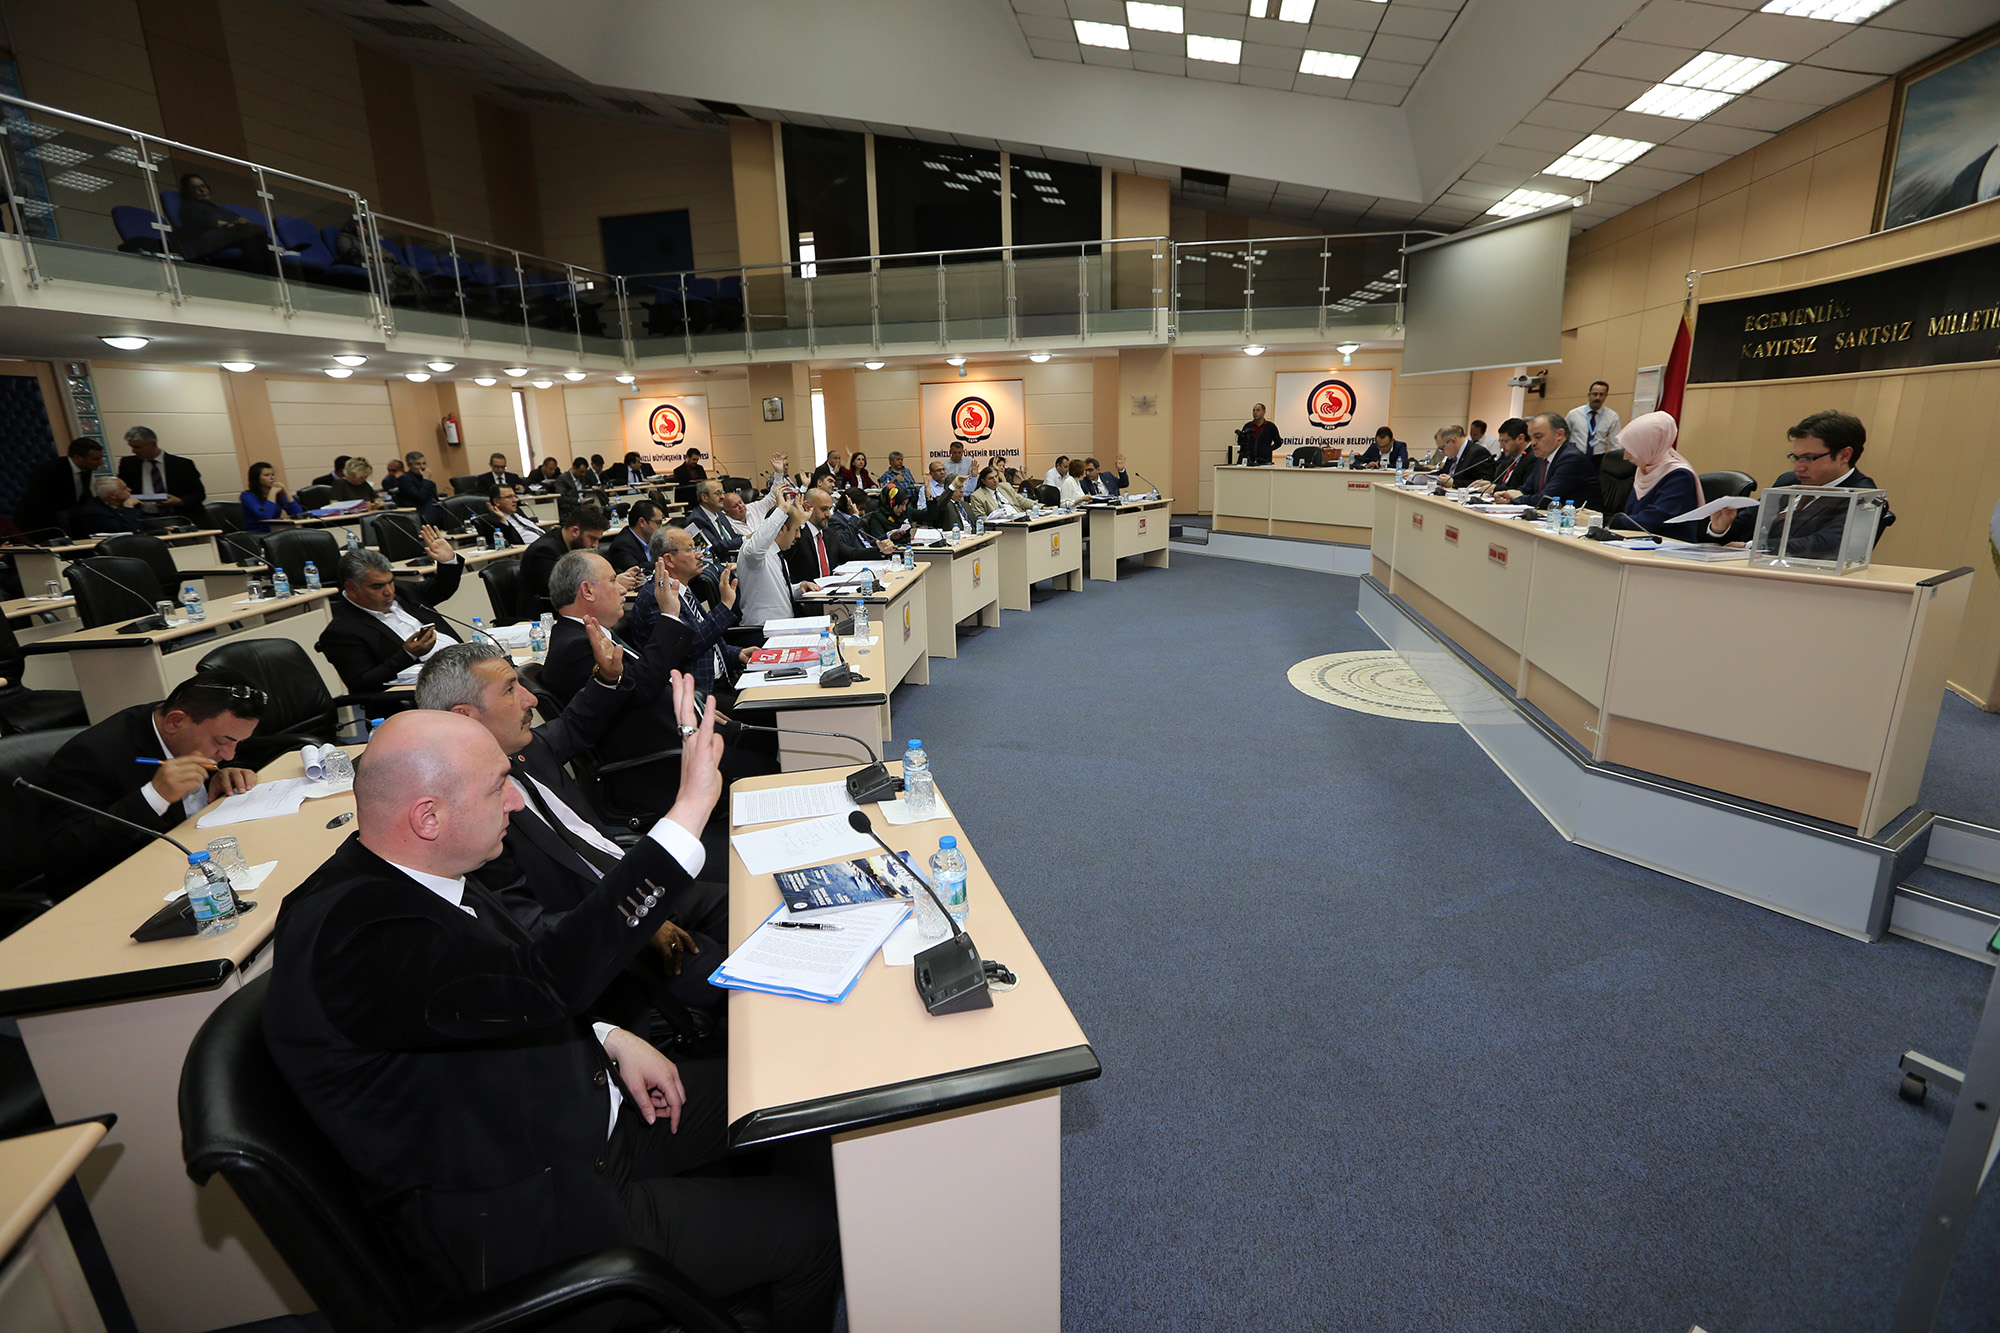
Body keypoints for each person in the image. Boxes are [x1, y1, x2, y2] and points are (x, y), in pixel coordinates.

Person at [260, 705, 841, 1332]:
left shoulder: (418, 873)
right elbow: (544, 979)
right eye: (497, 788)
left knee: (787, 1100)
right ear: (428, 817)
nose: (515, 800)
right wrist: (691, 808)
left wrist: (608, 1036)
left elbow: (495, 988)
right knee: (814, 1228)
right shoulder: (359, 939)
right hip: (539, 1218)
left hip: (579, 1117)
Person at [40, 672, 263, 894]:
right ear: (175, 721)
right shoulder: (90, 755)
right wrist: (154, 796)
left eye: (238, 743)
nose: (229, 754)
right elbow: (63, 856)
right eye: (221, 741)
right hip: (130, 886)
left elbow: (235, 754)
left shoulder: (196, 728)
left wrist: (223, 773)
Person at [1702, 409, 1895, 555]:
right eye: (1795, 457)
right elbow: (1748, 523)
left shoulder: (1865, 497)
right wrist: (1720, 528)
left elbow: (1826, 544)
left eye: (1809, 458)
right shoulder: (1788, 481)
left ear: (1844, 455)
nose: (1798, 467)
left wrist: (1751, 547)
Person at [314, 535, 465, 692]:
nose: (389, 591)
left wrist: (448, 562)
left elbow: (441, 589)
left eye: (390, 582)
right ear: (351, 588)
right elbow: (362, 684)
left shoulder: (402, 591)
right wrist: (408, 654)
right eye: (377, 586)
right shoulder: (342, 631)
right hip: (431, 689)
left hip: (462, 665)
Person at [517, 503, 630, 620]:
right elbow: (567, 591)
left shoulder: (579, 546)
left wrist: (620, 576)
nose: (595, 545)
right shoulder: (543, 551)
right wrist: (612, 583)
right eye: (593, 538)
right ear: (575, 531)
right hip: (546, 618)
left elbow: (601, 568)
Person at [1610, 411, 1704, 542]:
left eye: (1631, 449)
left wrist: (1607, 521)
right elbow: (1630, 515)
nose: (1625, 456)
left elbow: (1653, 520)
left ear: (1649, 445)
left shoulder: (1680, 476)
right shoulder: (1645, 469)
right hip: (1638, 542)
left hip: (1669, 548)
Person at [172, 173, 279, 272]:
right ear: (188, 191)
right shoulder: (188, 206)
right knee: (247, 238)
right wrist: (226, 224)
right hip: (208, 241)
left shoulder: (217, 208)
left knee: (265, 240)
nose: (202, 190)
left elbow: (235, 218)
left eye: (203, 186)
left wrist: (240, 221)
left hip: (230, 236)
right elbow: (199, 221)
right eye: (196, 187)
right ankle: (259, 275)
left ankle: (275, 277)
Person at [784, 488, 891, 586]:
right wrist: (801, 524)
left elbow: (852, 553)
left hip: (830, 591)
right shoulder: (798, 534)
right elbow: (787, 556)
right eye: (823, 509)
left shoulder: (828, 534)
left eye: (829, 509)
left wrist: (880, 551)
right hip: (806, 595)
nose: (828, 514)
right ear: (807, 507)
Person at [1497, 412, 1600, 510]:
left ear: (1559, 435)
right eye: (1531, 438)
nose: (1533, 443)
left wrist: (1515, 499)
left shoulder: (1571, 458)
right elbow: (1525, 490)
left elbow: (1546, 499)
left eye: (1538, 437)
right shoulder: (1543, 457)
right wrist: (1508, 495)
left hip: (1579, 519)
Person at [14, 437, 105, 533]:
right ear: (78, 458)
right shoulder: (48, 470)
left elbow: (82, 497)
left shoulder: (86, 469)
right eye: (96, 459)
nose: (101, 463)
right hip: (39, 524)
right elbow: (41, 503)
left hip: (67, 521)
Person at [116, 426, 205, 519]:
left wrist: (179, 501)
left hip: (180, 516)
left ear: (153, 444)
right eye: (131, 447)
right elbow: (122, 490)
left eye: (137, 447)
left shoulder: (182, 464)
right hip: (143, 518)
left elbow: (199, 494)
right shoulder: (128, 464)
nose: (133, 451)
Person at [1468, 419, 1536, 495]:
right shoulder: (1511, 460)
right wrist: (1489, 484)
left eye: (1505, 441)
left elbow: (1522, 491)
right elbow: (1506, 485)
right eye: (1500, 441)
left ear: (1520, 438)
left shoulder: (1533, 459)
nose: (1501, 446)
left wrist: (1495, 488)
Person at [680, 481, 742, 562]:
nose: (722, 497)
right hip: (719, 564)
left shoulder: (719, 513)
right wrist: (744, 539)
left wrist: (751, 537)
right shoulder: (696, 520)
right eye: (718, 493)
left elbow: (733, 537)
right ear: (704, 497)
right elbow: (715, 547)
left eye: (723, 493)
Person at [241, 460, 303, 532]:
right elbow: (265, 516)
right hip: (258, 533)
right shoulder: (247, 496)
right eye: (266, 475)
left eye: (273, 474)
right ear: (256, 478)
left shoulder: (278, 495)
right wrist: (272, 493)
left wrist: (286, 492)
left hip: (277, 531)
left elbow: (298, 514)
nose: (272, 478)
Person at [604, 499, 662, 575]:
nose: (660, 527)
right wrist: (663, 563)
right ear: (642, 522)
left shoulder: (652, 539)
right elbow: (636, 570)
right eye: (658, 522)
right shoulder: (622, 545)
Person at [72, 476, 146, 535]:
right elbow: (126, 530)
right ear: (113, 495)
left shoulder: (120, 505)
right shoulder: (95, 512)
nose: (129, 490)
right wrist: (129, 508)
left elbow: (143, 525)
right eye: (124, 488)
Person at [1566, 381, 1621, 456]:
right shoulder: (1573, 414)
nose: (1598, 398)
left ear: (1606, 396)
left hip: (1598, 457)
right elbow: (1564, 437)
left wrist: (1615, 459)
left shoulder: (1612, 416)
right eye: (1595, 394)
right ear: (1589, 395)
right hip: (1576, 455)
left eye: (1601, 394)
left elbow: (1616, 443)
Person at [480, 485, 545, 547]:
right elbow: (510, 542)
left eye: (515, 496)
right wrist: (502, 519)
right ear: (497, 502)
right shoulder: (490, 521)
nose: (515, 500)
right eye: (509, 497)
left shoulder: (517, 513)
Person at [388, 450, 442, 520]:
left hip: (432, 510)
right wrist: (426, 480)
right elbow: (421, 497)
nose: (422, 467)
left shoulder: (423, 478)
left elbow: (434, 497)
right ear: (409, 465)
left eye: (424, 463)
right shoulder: (404, 479)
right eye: (418, 464)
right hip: (419, 514)